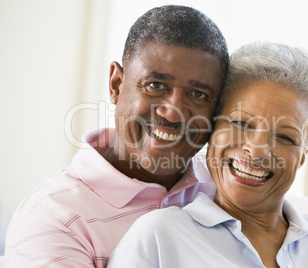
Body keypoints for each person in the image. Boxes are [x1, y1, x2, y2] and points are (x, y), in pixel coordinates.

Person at [106, 41, 308, 268]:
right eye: (240, 123)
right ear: (211, 133)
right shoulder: (159, 237)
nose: (257, 149)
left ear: (302, 157)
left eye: (285, 137)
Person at [5, 5, 228, 267]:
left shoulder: (224, 190)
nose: (173, 113)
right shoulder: (53, 216)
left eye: (198, 94)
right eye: (155, 85)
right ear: (116, 85)